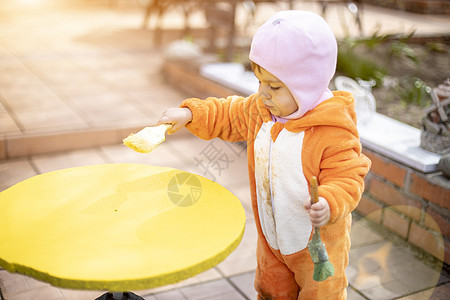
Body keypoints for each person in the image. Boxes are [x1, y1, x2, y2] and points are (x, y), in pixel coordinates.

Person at [157, 10, 371, 299]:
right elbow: (227, 114)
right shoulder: (262, 112)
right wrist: (189, 113)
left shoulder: (332, 130)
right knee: (271, 291)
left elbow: (348, 175)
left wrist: (330, 202)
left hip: (317, 249)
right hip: (272, 240)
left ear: (306, 84)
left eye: (274, 86)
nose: (263, 93)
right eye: (260, 81)